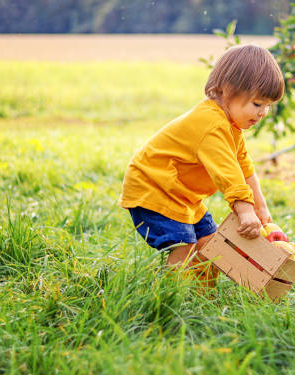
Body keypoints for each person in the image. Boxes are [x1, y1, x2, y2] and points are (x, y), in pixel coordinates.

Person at [119, 44, 284, 286]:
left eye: (268, 106)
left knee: (210, 242)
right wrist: (245, 210)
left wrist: (261, 209)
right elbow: (227, 171)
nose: (263, 113)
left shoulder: (231, 127)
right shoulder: (211, 125)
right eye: (257, 104)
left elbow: (244, 167)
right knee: (184, 246)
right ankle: (169, 297)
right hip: (154, 188)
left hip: (182, 196)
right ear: (227, 91)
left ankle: (202, 296)